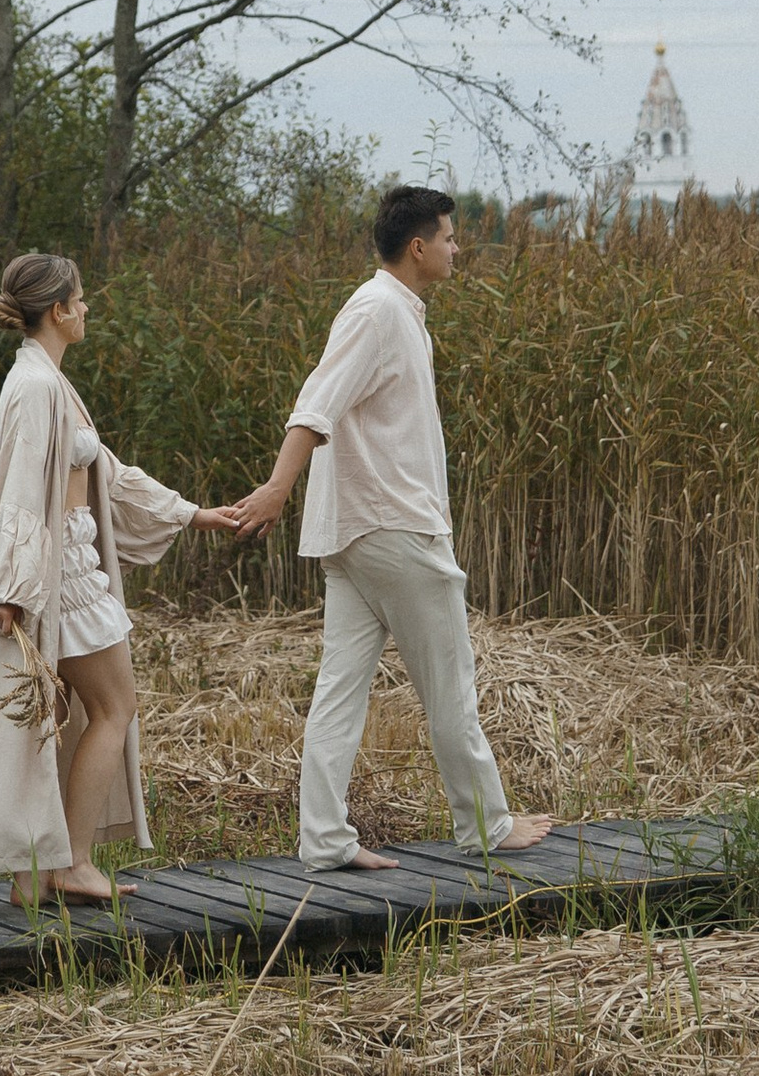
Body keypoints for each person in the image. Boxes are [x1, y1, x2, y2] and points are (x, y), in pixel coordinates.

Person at [220, 184, 554, 873]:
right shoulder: (378, 310)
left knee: (339, 693)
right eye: (452, 239)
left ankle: (324, 839)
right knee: (450, 684)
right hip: (394, 531)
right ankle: (488, 826)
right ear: (419, 246)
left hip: (356, 534)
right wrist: (277, 489)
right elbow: (316, 404)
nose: (459, 250)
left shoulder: (396, 311)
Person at [0, 250, 237, 908]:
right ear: (58, 310)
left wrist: (194, 515)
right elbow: (16, 491)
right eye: (81, 299)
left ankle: (34, 874)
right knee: (116, 707)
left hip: (65, 569)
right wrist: (7, 591)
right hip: (61, 576)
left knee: (54, 717)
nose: (88, 308)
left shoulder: (45, 380)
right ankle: (76, 863)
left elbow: (109, 476)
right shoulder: (36, 387)